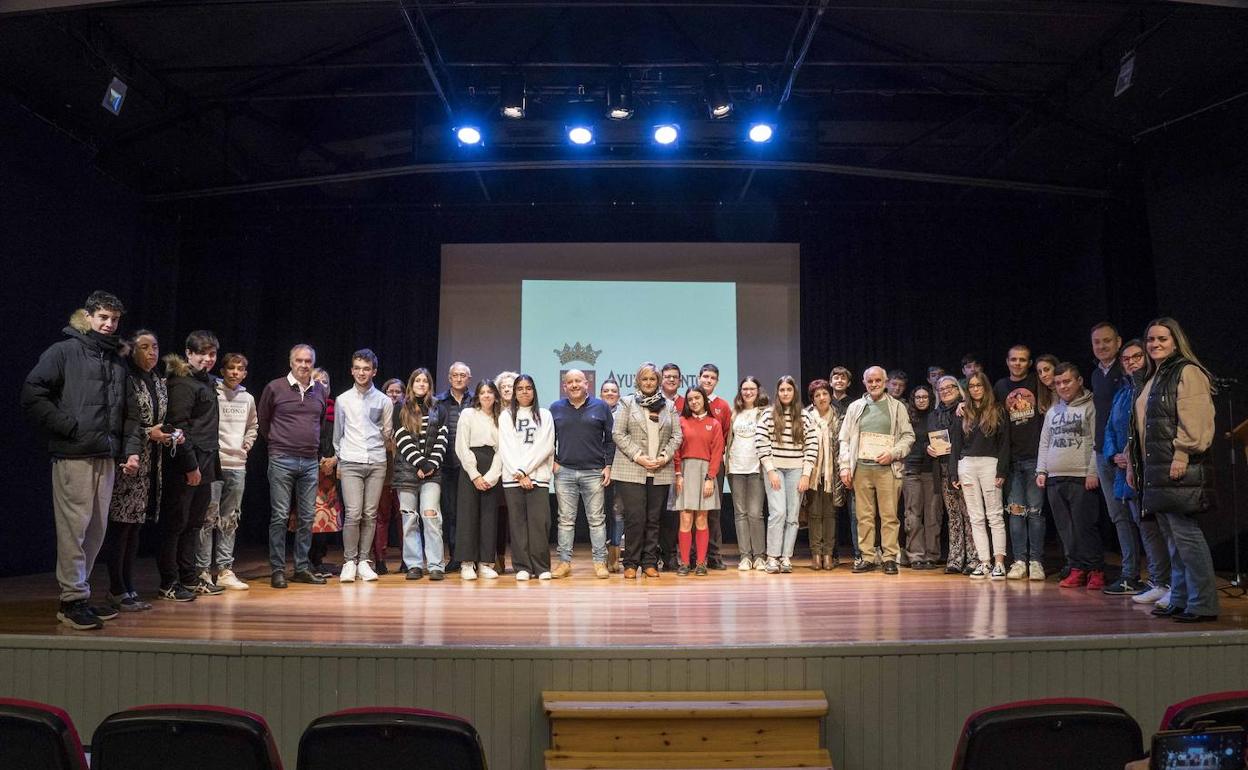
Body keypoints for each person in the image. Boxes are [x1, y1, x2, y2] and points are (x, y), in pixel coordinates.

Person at [22, 291, 141, 629]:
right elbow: (32, 394)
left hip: (105, 456)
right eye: (103, 317)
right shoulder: (64, 352)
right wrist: (68, 427)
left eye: (114, 319)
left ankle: (79, 596)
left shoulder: (117, 360)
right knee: (74, 530)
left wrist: (130, 449)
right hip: (73, 455)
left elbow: (131, 412)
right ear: (88, 317)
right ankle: (71, 600)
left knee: (96, 530)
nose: (109, 324)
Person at [1129, 317, 1219, 622]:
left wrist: (1181, 454)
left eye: (1162, 339)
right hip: (1156, 468)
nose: (1155, 344)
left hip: (1177, 466)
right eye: (1151, 339)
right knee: (1173, 538)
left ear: (1176, 341)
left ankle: (1203, 602)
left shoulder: (1187, 371)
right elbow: (1144, 428)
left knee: (1186, 535)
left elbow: (1196, 420)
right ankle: (1180, 597)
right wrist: (1134, 464)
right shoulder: (1155, 376)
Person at [103, 329, 170, 612]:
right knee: (121, 527)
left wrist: (169, 433)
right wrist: (147, 433)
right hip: (127, 462)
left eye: (155, 346)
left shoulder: (156, 380)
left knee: (134, 530)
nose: (151, 352)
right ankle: (116, 589)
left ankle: (128, 587)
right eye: (144, 347)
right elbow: (119, 421)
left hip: (150, 464)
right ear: (132, 350)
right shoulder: (126, 378)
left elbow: (161, 419)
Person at [258, 344, 334, 588]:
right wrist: (279, 443)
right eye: (299, 361)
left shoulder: (319, 391)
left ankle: (301, 568)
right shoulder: (275, 387)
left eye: (308, 361)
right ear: (291, 363)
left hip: (310, 460)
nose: (304, 365)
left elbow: (320, 423)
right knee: (280, 516)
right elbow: (263, 421)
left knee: (307, 517)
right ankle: (278, 569)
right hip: (282, 458)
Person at [1105, 340, 1172, 605]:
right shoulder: (1122, 392)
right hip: (1127, 473)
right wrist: (1114, 455)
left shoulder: (1154, 387)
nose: (1131, 362)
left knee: (1163, 529)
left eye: (1136, 357)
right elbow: (1110, 428)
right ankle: (1158, 581)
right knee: (1146, 529)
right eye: (1126, 359)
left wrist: (1133, 455)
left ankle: (1173, 584)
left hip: (1151, 470)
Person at [838, 366, 915, 575]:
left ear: (885, 381)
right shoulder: (856, 407)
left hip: (887, 468)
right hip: (861, 468)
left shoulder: (897, 407)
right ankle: (867, 556)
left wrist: (893, 453)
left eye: (878, 381)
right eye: (870, 381)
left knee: (889, 515)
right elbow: (844, 438)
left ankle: (889, 557)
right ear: (864, 383)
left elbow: (908, 437)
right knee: (864, 516)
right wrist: (845, 466)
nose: (874, 384)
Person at [1037, 363, 1104, 590]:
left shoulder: (1090, 407)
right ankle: (1076, 568)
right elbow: (1044, 442)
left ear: (1079, 381)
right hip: (1055, 476)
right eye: (1058, 383)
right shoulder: (1052, 411)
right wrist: (1041, 470)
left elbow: (1097, 441)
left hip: (1081, 476)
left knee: (1085, 526)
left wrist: (1093, 472)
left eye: (1067, 381)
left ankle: (1095, 569)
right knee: (1065, 528)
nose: (1062, 386)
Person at [610, 364, 680, 579]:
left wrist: (663, 458)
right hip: (632, 469)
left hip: (659, 470)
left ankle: (649, 562)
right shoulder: (627, 403)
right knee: (635, 518)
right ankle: (631, 562)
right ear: (638, 381)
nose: (649, 382)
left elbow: (677, 436)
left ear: (658, 381)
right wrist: (639, 456)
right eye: (645, 379)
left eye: (652, 379)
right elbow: (618, 433)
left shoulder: (668, 406)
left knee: (653, 519)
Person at [1089, 322, 1142, 594]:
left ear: (1118, 341)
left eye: (1107, 341)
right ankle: (1129, 573)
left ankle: (1153, 576)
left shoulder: (1128, 374)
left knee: (1139, 516)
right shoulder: (1097, 375)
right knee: (1118, 516)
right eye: (1097, 342)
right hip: (1104, 454)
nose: (1102, 346)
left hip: (1127, 455)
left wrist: (1127, 453)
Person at [196, 352, 257, 591]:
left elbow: (253, 425)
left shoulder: (248, 398)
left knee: (229, 518)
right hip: (214, 462)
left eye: (239, 369)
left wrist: (247, 444)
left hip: (237, 464)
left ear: (244, 373)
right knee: (208, 517)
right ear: (222, 371)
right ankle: (202, 570)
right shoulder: (214, 393)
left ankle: (224, 569)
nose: (234, 372)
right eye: (230, 368)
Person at [333, 349, 393, 583]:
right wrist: (342, 458)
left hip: (377, 461)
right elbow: (337, 435)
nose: (361, 372)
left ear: (374, 371)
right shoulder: (343, 400)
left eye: (366, 368)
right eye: (357, 368)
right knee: (353, 513)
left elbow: (387, 433)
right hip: (351, 461)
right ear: (351, 370)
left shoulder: (384, 400)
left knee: (370, 513)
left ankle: (364, 561)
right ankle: (349, 561)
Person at [550, 368, 615, 578]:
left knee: (596, 520)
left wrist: (608, 466)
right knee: (565, 520)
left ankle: (599, 562)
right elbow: (549, 439)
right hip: (565, 471)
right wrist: (553, 462)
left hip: (594, 471)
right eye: (570, 382)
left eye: (579, 381)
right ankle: (564, 563)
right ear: (564, 386)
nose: (575, 385)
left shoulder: (601, 406)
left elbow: (610, 440)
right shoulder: (555, 408)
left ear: (587, 383)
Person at [994, 345, 1047, 581]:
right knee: (1015, 513)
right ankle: (1019, 561)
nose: (1017, 363)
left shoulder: (1038, 382)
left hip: (1036, 458)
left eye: (1022, 360)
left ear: (1029, 362)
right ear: (1007, 361)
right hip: (1012, 460)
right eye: (1013, 359)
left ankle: (1035, 561)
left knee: (1035, 512)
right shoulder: (1000, 387)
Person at [951, 370, 1009, 580]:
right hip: (966, 465)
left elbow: (1004, 443)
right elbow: (956, 444)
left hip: (990, 464)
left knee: (994, 515)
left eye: (979, 385)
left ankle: (999, 563)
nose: (975, 389)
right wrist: (953, 472)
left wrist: (1002, 469)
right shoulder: (962, 411)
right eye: (972, 386)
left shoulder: (997, 410)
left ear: (986, 387)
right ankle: (984, 562)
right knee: (976, 517)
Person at [392, 368, 449, 581]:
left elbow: (443, 439)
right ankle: (414, 564)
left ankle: (435, 565)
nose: (422, 384)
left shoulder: (438, 408)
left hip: (432, 473)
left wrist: (430, 465)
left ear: (430, 385)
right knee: (409, 519)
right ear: (411, 384)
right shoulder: (400, 408)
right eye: (418, 380)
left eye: (425, 381)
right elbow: (402, 439)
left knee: (431, 516)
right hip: (407, 472)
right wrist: (421, 463)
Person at [757, 375, 819, 573]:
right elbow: (761, 443)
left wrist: (806, 474)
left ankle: (785, 557)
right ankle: (772, 557)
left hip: (797, 470)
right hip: (774, 469)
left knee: (793, 516)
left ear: (794, 392)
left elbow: (811, 445)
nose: (785, 393)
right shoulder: (768, 415)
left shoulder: (804, 415)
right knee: (778, 513)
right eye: (782, 390)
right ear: (778, 392)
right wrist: (770, 469)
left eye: (789, 390)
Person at [499, 374, 555, 581]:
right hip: (513, 478)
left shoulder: (545, 415)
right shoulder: (506, 416)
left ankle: (541, 567)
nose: (524, 392)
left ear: (534, 391)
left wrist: (525, 471)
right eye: (520, 388)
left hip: (537, 477)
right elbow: (507, 447)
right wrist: (518, 472)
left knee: (539, 524)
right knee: (518, 523)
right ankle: (522, 566)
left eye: (528, 388)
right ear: (514, 392)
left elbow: (545, 446)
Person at [455, 379, 504, 580]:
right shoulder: (468, 414)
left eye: (490, 392)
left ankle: (485, 562)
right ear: (477, 395)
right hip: (470, 468)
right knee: (468, 515)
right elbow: (461, 445)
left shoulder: (501, 418)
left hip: (492, 466)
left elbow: (503, 450)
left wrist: (492, 476)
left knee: (489, 516)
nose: (486, 395)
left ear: (495, 396)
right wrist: (474, 474)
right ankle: (467, 563)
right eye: (482, 392)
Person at [673, 387, 725, 576]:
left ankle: (701, 563)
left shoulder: (714, 423)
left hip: (705, 474)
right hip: (685, 472)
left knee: (702, 518)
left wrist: (710, 478)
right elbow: (676, 450)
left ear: (704, 399)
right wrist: (678, 474)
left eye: (697, 398)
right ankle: (685, 563)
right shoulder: (681, 422)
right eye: (690, 399)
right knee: (685, 518)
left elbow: (717, 452)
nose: (694, 402)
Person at [933, 377, 977, 575]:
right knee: (953, 516)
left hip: (963, 466)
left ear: (958, 389)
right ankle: (955, 558)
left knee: (970, 515)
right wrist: (929, 448)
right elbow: (931, 436)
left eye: (949, 387)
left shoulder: (967, 409)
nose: (945, 391)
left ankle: (975, 558)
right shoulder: (935, 414)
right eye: (941, 389)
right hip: (943, 468)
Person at [727, 376, 768, 571]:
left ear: (758, 391)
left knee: (755, 514)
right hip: (736, 469)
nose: (748, 392)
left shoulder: (764, 413)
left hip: (756, 469)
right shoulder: (734, 413)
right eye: (744, 389)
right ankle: (745, 556)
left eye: (752, 388)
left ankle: (759, 556)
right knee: (740, 514)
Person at [694, 364, 733, 569]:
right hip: (691, 466)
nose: (708, 380)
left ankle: (714, 556)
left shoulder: (723, 406)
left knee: (713, 512)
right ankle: (693, 556)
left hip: (714, 465)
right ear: (699, 377)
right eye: (705, 376)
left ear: (716, 381)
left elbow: (726, 436)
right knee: (691, 511)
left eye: (712, 378)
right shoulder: (688, 401)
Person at [435, 362, 473, 569]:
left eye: (463, 375)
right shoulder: (438, 401)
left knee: (469, 512)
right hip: (447, 463)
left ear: (469, 378)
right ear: (449, 378)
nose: (459, 379)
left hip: (471, 465)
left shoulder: (476, 400)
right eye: (455, 375)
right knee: (450, 512)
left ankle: (471, 555)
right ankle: (455, 556)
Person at [306, 367, 343, 577]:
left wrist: (334, 460)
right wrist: (319, 460)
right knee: (309, 518)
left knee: (326, 518)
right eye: (316, 381)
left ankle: (318, 559)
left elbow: (345, 436)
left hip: (333, 470)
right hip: (310, 467)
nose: (321, 386)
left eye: (325, 382)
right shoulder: (305, 407)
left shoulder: (338, 409)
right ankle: (306, 560)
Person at [804, 379, 843, 570]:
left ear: (830, 396)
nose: (821, 398)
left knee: (830, 514)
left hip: (833, 474)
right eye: (817, 395)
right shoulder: (805, 416)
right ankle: (816, 554)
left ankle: (828, 554)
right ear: (812, 399)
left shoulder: (839, 417)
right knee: (813, 514)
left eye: (824, 394)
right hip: (810, 474)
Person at [901, 386, 942, 570]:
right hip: (911, 469)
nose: (921, 400)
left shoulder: (936, 416)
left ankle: (932, 555)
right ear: (913, 399)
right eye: (918, 397)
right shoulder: (907, 417)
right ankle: (916, 555)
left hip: (931, 470)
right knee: (913, 514)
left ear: (931, 398)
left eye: (925, 397)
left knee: (933, 514)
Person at [371, 377, 405, 575]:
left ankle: (406, 559)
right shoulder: (378, 412)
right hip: (383, 471)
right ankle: (380, 559)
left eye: (397, 391)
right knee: (381, 517)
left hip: (402, 472)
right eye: (390, 391)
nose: (393, 395)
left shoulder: (407, 413)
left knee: (403, 517)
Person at [657, 363, 684, 570]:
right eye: (667, 376)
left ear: (680, 380)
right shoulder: (653, 402)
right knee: (658, 512)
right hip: (658, 464)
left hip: (683, 466)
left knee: (676, 512)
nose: (671, 379)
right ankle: (659, 554)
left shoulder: (688, 401)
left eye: (675, 377)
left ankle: (674, 555)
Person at [492, 371, 519, 575]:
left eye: (511, 386)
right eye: (503, 387)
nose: (508, 389)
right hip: (497, 471)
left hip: (521, 469)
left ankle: (521, 561)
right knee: (499, 517)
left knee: (518, 517)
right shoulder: (492, 412)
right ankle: (498, 558)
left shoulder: (526, 410)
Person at [599, 378, 625, 572]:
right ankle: (600, 554)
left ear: (619, 394)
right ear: (601, 394)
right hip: (597, 470)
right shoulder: (595, 412)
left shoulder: (625, 412)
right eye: (606, 391)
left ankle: (614, 555)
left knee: (617, 513)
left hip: (623, 470)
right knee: (599, 515)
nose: (610, 393)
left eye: (613, 391)